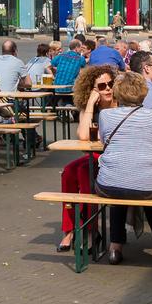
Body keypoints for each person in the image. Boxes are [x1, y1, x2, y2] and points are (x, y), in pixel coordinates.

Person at [94, 69, 152, 266]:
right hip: (149, 186)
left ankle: (115, 248)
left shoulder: (106, 116)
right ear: (143, 92)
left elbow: (103, 140)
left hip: (109, 185)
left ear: (117, 93)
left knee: (119, 191)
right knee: (150, 191)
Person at [55, 64, 118, 250]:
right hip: (95, 155)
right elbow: (83, 136)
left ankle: (92, 230)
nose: (107, 88)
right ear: (92, 90)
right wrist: (90, 104)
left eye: (110, 83)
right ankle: (69, 229)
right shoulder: (89, 107)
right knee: (68, 172)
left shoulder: (120, 104)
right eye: (101, 86)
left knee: (84, 172)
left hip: (113, 157)